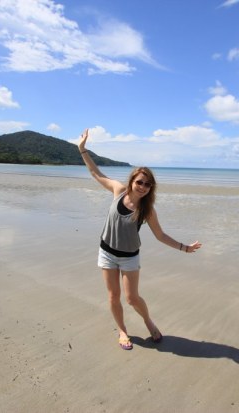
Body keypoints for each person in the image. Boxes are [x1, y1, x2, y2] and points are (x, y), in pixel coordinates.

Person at [78, 128, 202, 351]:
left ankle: (148, 321)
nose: (143, 187)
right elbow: (97, 174)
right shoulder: (118, 191)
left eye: (147, 184)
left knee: (132, 298)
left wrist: (185, 248)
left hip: (129, 257)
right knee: (113, 296)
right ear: (132, 180)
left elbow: (160, 235)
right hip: (107, 252)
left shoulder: (147, 210)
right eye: (140, 182)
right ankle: (123, 330)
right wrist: (82, 150)